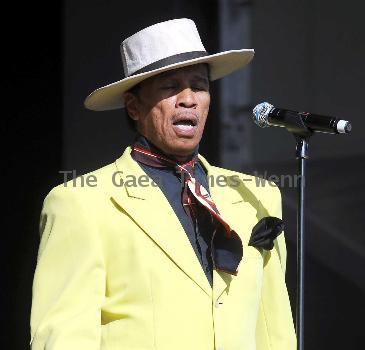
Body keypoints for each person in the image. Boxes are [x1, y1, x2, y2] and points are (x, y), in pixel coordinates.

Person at [30, 18, 296, 350]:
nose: (189, 99)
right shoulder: (81, 202)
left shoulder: (256, 195)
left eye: (199, 85)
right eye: (170, 87)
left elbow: (275, 329)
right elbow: (63, 337)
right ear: (134, 106)